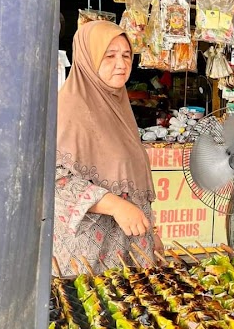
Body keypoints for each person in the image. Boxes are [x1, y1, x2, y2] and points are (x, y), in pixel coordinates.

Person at [54, 20, 162, 275]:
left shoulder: (119, 109)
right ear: (87, 59)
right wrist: (116, 206)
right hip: (87, 258)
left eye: (126, 55)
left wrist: (150, 234)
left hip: (128, 250)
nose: (121, 64)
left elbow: (131, 182)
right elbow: (54, 181)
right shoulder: (67, 109)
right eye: (109, 55)